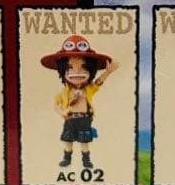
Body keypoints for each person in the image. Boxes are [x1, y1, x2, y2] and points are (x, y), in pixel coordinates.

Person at [40, 38, 119, 170]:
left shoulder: (88, 89)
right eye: (70, 68)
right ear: (62, 71)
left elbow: (98, 82)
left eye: (83, 67)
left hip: (84, 119)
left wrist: (108, 71)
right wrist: (62, 112)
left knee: (84, 141)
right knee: (68, 140)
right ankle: (67, 158)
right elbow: (56, 105)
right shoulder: (64, 92)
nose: (76, 72)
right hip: (70, 119)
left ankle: (86, 160)